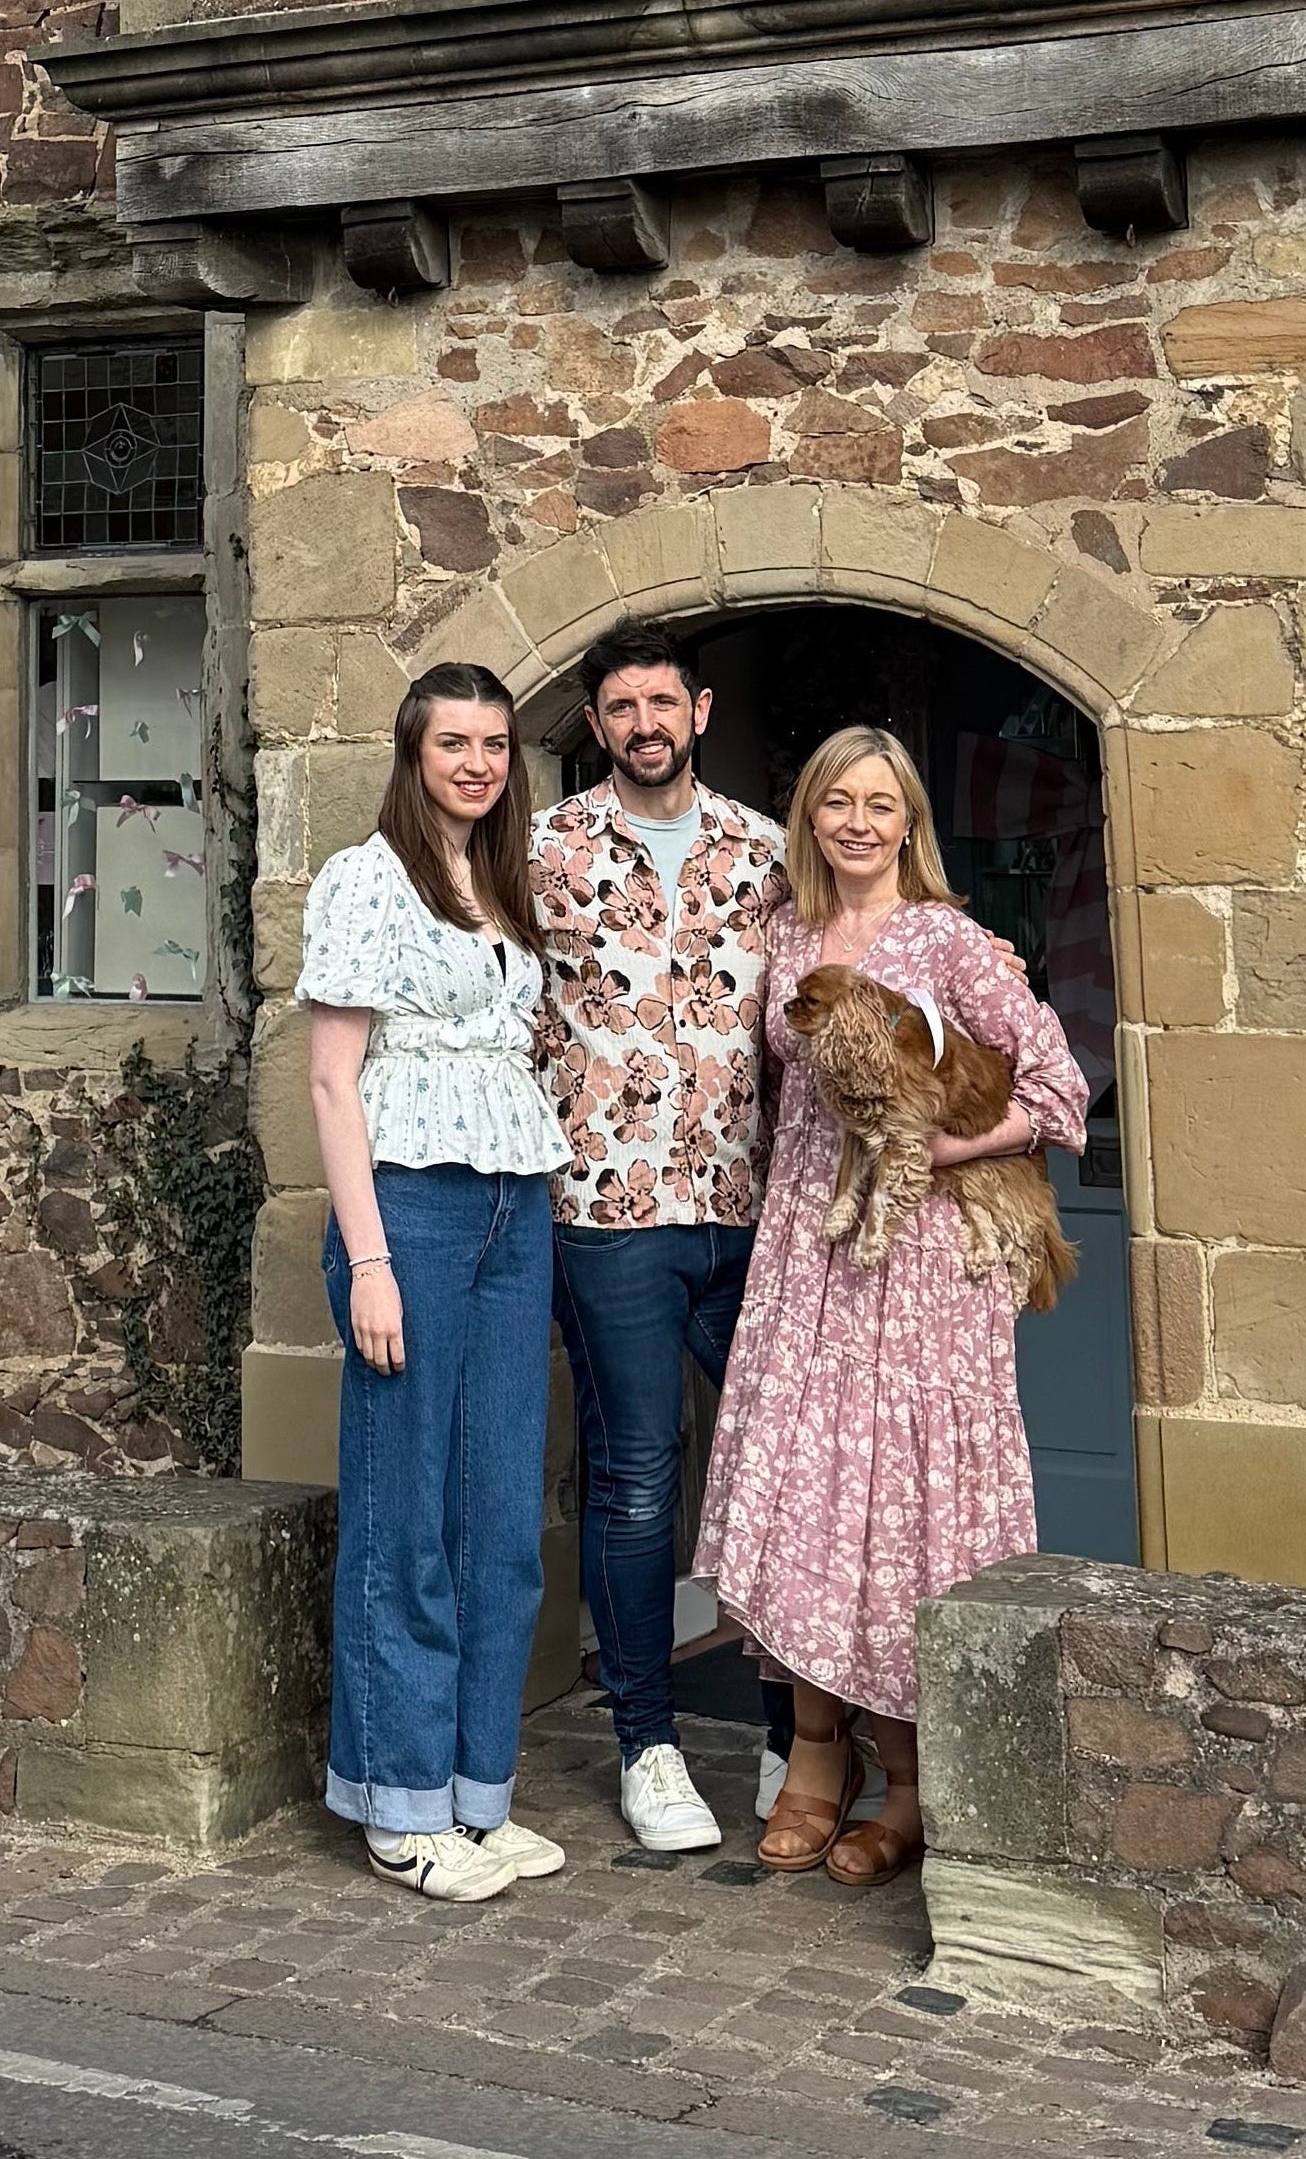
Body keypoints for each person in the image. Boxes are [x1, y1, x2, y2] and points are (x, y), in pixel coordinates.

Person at [531, 626, 1022, 1852]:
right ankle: (651, 1742)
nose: (645, 722)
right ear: (598, 724)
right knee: (646, 1481)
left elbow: (953, 1015)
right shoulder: (545, 850)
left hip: (757, 1213)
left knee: (808, 1484)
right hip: (613, 1210)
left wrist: (970, 1021)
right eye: (620, 707)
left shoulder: (765, 858)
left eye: (662, 701)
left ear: (698, 711)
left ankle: (796, 1739)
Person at [693, 724, 1089, 1888]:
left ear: (909, 820)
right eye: (836, 803)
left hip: (922, 1264)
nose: (858, 822)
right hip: (809, 1246)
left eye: (881, 804)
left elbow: (1061, 1087)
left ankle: (915, 1782)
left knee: (909, 1511)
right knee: (812, 1494)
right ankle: (819, 1752)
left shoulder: (951, 940)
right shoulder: (785, 934)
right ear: (808, 818)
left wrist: (952, 1139)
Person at [299, 662, 572, 1904]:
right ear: (413, 754)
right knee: (407, 1517)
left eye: (495, 744)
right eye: (452, 742)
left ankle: (476, 1794)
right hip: (408, 1205)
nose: (476, 762)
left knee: (503, 1518)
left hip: (517, 1200)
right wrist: (369, 1261)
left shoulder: (501, 880)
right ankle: (397, 1800)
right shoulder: (369, 879)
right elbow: (330, 1084)